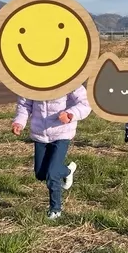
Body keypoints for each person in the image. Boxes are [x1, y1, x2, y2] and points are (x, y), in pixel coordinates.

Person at [11, 86, 91, 219]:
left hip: (62, 133)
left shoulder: (70, 80)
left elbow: (85, 102)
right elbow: (25, 104)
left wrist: (70, 114)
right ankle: (67, 171)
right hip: (40, 134)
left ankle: (55, 210)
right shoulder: (30, 81)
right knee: (41, 174)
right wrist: (19, 122)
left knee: (52, 173)